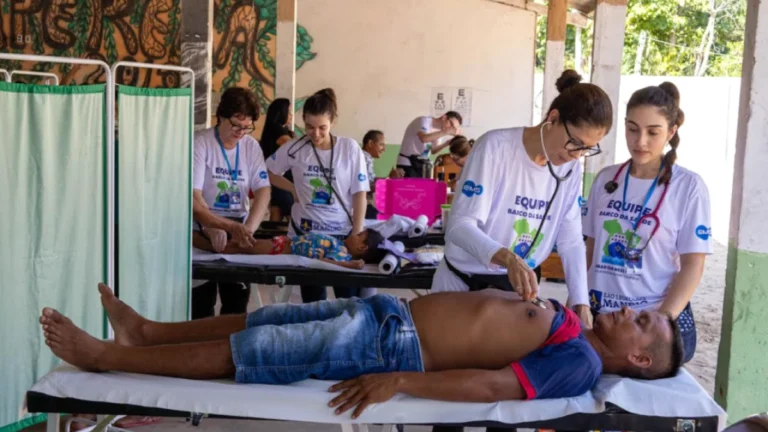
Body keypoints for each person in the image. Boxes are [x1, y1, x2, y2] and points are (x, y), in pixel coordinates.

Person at [40, 284, 684, 420]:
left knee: (261, 349)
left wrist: (398, 380)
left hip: (392, 343)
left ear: (642, 360)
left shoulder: (583, 364)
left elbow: (495, 388)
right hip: (390, 314)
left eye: (644, 321)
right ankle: (149, 332)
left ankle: (108, 360)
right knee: (273, 317)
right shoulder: (579, 330)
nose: (632, 310)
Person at [432, 70, 610, 331]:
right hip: (462, 286)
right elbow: (459, 227)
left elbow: (570, 238)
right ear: (553, 118)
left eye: (588, 149)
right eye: (575, 143)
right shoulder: (495, 148)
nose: (578, 155)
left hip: (516, 293)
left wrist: (581, 302)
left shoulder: (569, 169)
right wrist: (507, 258)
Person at [582, 82, 711, 363]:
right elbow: (590, 249)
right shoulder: (606, 179)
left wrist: (661, 321)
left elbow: (693, 264)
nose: (640, 141)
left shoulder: (688, 187)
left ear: (671, 132)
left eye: (653, 132)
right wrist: (578, 301)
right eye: (632, 129)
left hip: (649, 328)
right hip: (602, 320)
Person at [266, 88, 370, 303]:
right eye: (310, 127)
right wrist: (292, 188)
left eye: (322, 127)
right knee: (313, 301)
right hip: (306, 236)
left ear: (333, 121)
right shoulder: (295, 148)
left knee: (348, 300)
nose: (316, 134)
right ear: (302, 121)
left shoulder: (349, 149)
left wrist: (357, 234)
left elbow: (360, 193)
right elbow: (267, 172)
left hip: (341, 235)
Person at [191, 87, 271, 319]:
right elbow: (194, 197)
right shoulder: (201, 143)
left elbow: (263, 189)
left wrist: (248, 229)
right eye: (236, 125)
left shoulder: (251, 146)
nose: (241, 132)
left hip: (238, 227)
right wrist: (211, 226)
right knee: (201, 307)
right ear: (221, 117)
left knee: (236, 308)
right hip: (203, 227)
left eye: (247, 127)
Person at [192, 228, 387, 270]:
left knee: (240, 248)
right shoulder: (339, 244)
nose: (355, 233)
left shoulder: (341, 253)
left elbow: (327, 263)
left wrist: (349, 264)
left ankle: (203, 245)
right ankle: (205, 242)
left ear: (362, 247)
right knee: (243, 245)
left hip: (281, 250)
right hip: (283, 243)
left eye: (360, 235)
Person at [260, 98, 296, 222]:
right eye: (289, 111)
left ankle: (272, 239)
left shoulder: (275, 129)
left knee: (277, 211)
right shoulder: (277, 129)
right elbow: (292, 147)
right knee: (292, 213)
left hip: (275, 177)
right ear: (282, 112)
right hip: (281, 177)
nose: (292, 115)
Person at [397, 112, 463, 178]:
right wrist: (447, 132)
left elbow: (433, 150)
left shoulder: (441, 131)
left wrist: (447, 143)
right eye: (451, 124)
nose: (451, 128)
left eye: (453, 128)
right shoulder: (423, 121)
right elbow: (424, 138)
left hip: (421, 164)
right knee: (409, 188)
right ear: (444, 117)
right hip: (407, 163)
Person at [361, 130, 387, 219]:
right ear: (370, 143)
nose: (384, 149)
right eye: (381, 145)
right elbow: (365, 186)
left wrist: (387, 178)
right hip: (362, 205)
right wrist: (388, 181)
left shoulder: (367, 158)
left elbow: (371, 179)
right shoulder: (362, 159)